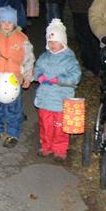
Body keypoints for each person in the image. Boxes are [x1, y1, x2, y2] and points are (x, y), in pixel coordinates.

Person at [0, 6, 35, 148]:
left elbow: (29, 59)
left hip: (14, 80)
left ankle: (12, 133)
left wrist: (28, 76)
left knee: (13, 108)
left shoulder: (22, 39)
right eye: (3, 21)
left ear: (15, 23)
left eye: (10, 22)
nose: (6, 24)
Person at [32, 19, 81, 160]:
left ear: (63, 42)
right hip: (45, 99)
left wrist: (59, 80)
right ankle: (46, 146)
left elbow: (75, 76)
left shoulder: (69, 59)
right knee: (46, 125)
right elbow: (37, 68)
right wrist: (39, 76)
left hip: (61, 100)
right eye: (50, 42)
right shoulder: (44, 57)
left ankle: (60, 149)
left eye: (55, 42)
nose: (52, 45)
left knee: (60, 126)